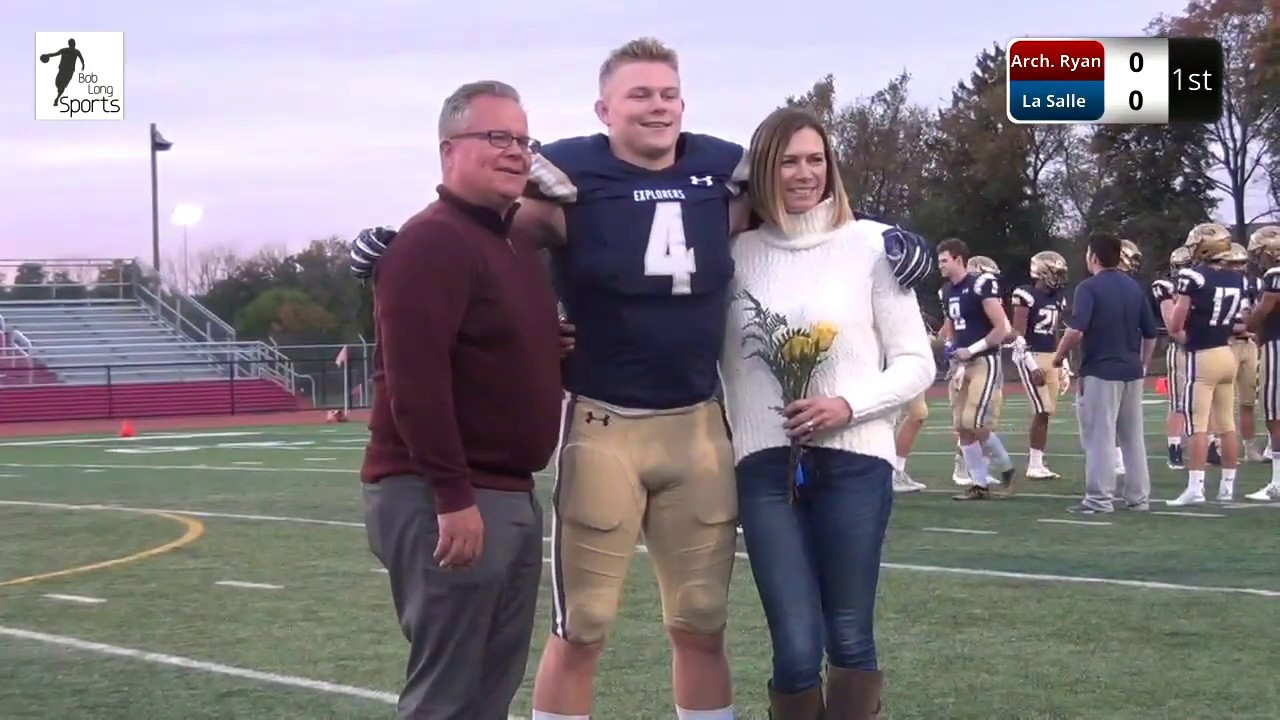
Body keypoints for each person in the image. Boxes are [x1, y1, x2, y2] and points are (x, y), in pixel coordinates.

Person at [358, 80, 563, 719]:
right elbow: (413, 382)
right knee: (446, 697)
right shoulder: (433, 239)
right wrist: (452, 496)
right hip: (447, 494)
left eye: (523, 140)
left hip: (507, 490)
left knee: (487, 692)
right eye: (496, 137)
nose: (514, 152)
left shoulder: (512, 244)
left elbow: (489, 351)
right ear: (449, 150)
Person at [722, 106, 934, 720]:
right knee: (793, 648)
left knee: (849, 635)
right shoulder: (731, 254)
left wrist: (847, 404)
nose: (804, 173)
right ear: (762, 169)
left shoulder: (874, 244)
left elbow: (916, 363)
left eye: (816, 159)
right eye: (787, 160)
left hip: (856, 463)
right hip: (764, 470)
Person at [1052, 233, 1157, 514]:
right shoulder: (1133, 287)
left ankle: (1099, 499)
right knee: (1133, 437)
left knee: (1100, 436)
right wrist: (1143, 364)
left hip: (1100, 370)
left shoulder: (1088, 288)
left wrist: (1059, 356)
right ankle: (1138, 498)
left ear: (1093, 257)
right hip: (1131, 371)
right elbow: (1150, 333)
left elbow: (1076, 329)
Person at [1166, 223, 1246, 505]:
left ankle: (1196, 488)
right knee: (1227, 425)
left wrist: (1190, 336)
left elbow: (1176, 324)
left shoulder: (1193, 276)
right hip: (1227, 353)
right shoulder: (1238, 279)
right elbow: (1240, 323)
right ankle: (1227, 488)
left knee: (1198, 426)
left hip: (1203, 356)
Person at [936, 242, 1017, 500]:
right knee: (961, 426)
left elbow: (1001, 329)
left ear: (959, 259)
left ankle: (1005, 466)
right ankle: (979, 483)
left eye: (944, 260)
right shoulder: (947, 291)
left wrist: (971, 350)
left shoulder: (980, 285)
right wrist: (950, 346)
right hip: (961, 365)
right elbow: (950, 327)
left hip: (984, 360)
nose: (941, 265)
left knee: (974, 421)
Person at [1010, 250, 1069, 480]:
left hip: (1050, 355)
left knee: (1047, 413)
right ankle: (1033, 465)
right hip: (1029, 355)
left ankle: (1038, 462)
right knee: (1042, 409)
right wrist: (1031, 364)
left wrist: (1062, 363)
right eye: (1057, 273)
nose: (1060, 278)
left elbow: (1055, 333)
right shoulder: (1025, 294)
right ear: (1043, 272)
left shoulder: (1058, 298)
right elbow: (1017, 334)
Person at [1244, 225, 1280, 500]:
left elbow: (1263, 311)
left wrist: (1249, 323)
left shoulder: (1275, 275)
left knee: (1275, 413)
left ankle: (1278, 481)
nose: (1259, 259)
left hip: (1277, 344)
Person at [1225, 242, 1266, 462]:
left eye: (1241, 263)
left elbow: (1259, 313)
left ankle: (1250, 448)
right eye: (1233, 263)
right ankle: (1219, 446)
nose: (1238, 268)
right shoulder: (1217, 284)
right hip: (1226, 343)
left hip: (1248, 345)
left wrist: (1253, 330)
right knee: (1222, 401)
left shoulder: (1254, 284)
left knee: (1248, 401)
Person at [1152, 246, 1192, 469]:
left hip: (1201, 349)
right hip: (1181, 348)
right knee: (1178, 402)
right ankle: (1174, 447)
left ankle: (1210, 445)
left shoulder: (1202, 285)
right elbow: (1171, 325)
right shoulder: (1165, 287)